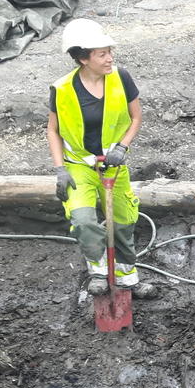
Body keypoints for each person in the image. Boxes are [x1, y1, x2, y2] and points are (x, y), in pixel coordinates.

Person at [48, 19, 154, 298]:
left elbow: (136, 117)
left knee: (122, 222)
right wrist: (60, 169)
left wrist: (123, 147)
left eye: (110, 51)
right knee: (83, 220)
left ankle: (127, 277)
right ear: (83, 58)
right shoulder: (62, 89)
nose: (110, 58)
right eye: (102, 54)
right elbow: (53, 130)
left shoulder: (121, 77)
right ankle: (97, 270)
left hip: (114, 164)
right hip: (79, 166)